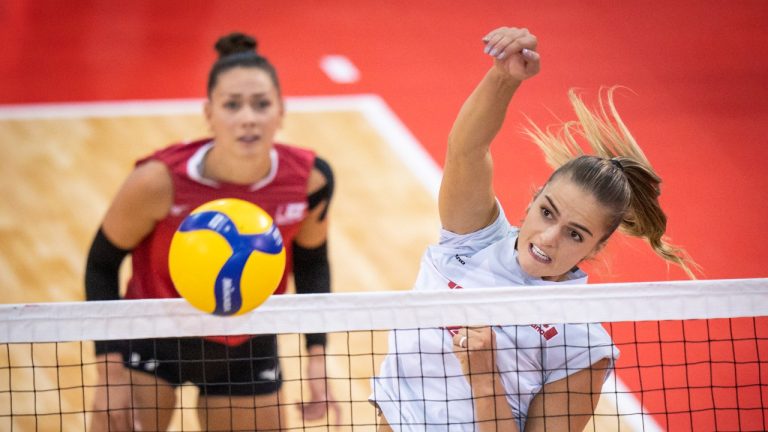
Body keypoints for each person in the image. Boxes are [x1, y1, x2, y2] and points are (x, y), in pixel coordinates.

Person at [370, 26, 696, 431]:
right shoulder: (472, 240)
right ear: (532, 200)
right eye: (547, 212)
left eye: (575, 234)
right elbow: (466, 148)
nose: (547, 238)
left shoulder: (581, 344)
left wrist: (486, 379)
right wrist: (505, 76)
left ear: (597, 246)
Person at [85, 32, 339, 431]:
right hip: (154, 333)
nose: (248, 117)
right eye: (232, 105)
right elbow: (100, 266)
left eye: (261, 104)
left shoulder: (310, 182)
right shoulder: (158, 181)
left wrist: (318, 360)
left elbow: (312, 265)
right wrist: (108, 373)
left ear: (281, 111)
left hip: (246, 343)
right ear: (209, 113)